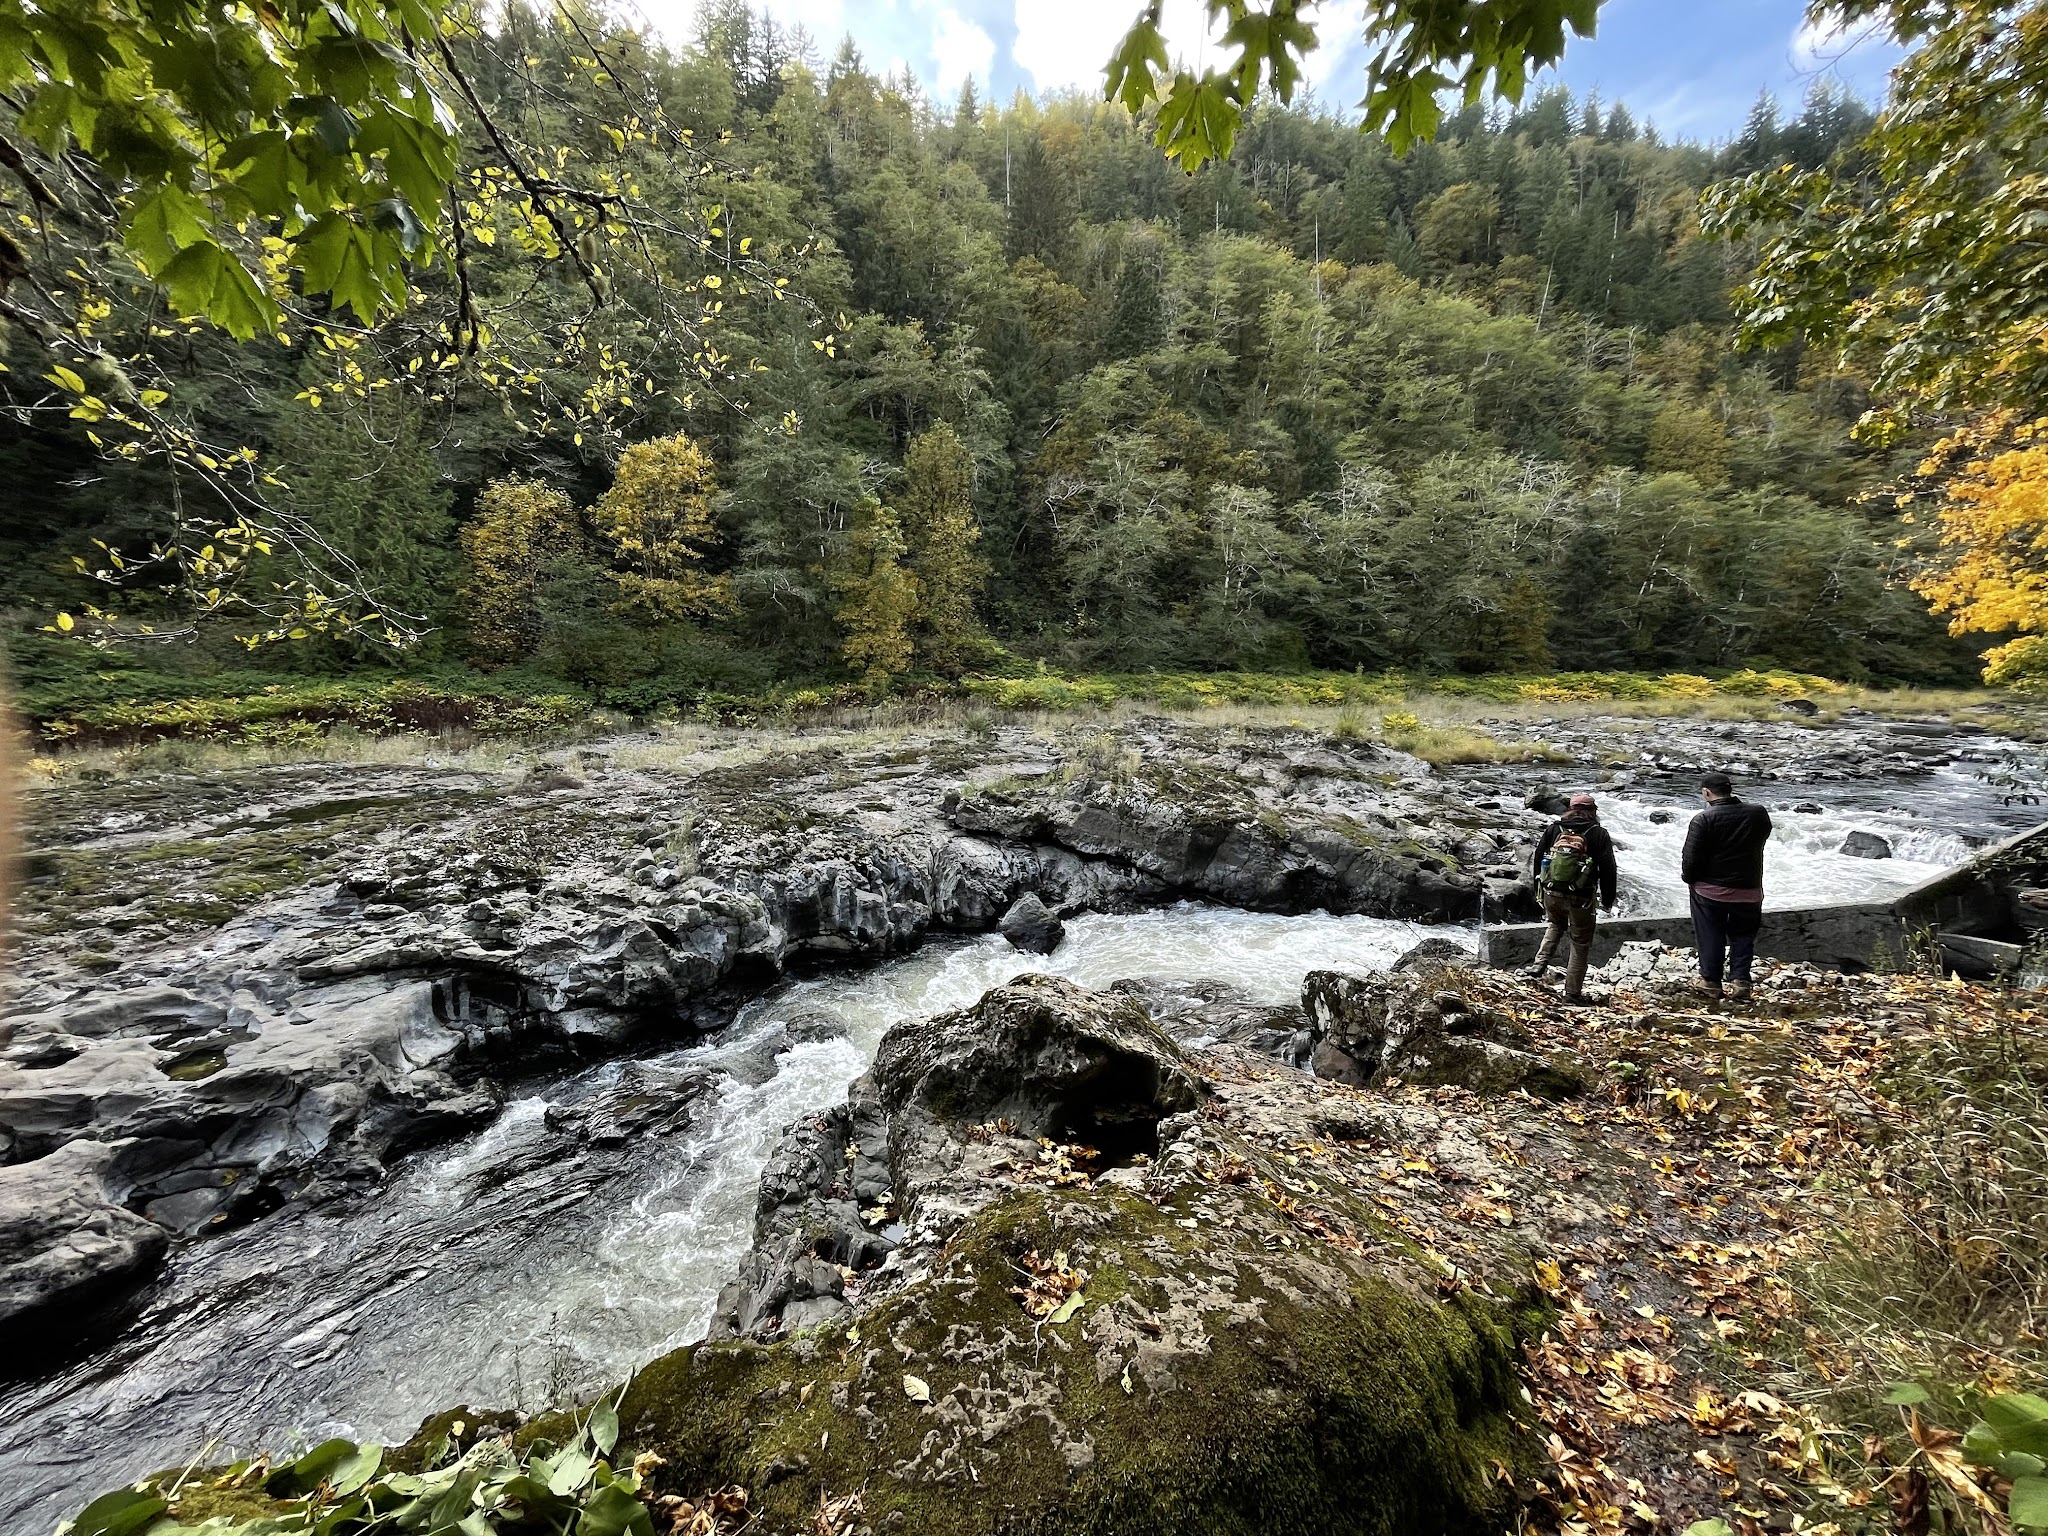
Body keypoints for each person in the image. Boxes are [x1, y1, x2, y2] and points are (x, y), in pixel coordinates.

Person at [1682, 771, 1772, 1001]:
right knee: (1743, 936)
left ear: (1706, 792)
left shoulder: (1703, 819)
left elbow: (1691, 859)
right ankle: (1741, 981)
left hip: (1711, 890)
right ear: (1730, 789)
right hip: (1749, 888)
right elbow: (1763, 836)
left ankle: (1711, 981)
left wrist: (1689, 879)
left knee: (1711, 934)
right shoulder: (1758, 813)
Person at [1524, 793, 1619, 1004]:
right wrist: (1608, 899)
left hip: (1551, 892)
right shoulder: (1598, 833)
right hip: (1581, 897)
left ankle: (1538, 965)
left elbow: (1538, 858)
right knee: (1580, 942)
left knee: (1555, 924)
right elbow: (1608, 869)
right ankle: (1572, 994)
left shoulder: (1555, 828)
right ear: (1593, 811)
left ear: (1569, 809)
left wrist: (1537, 888)